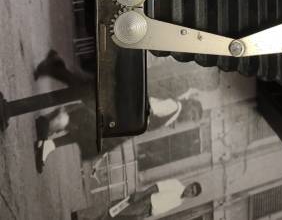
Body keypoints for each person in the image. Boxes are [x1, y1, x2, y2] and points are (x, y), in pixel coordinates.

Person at [33, 50, 204, 172]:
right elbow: (149, 106)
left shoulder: (174, 109)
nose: (189, 118)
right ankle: (53, 124)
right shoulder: (175, 107)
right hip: (123, 106)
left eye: (192, 118)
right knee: (88, 103)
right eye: (193, 113)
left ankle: (55, 68)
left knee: (87, 95)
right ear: (189, 104)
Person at [108, 179, 202, 217]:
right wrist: (141, 195)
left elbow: (162, 209)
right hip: (146, 201)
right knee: (117, 211)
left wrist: (147, 215)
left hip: (147, 212)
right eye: (191, 187)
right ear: (189, 184)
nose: (189, 191)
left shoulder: (180, 202)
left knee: (121, 218)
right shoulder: (176, 184)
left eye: (192, 192)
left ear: (192, 197)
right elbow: (157, 187)